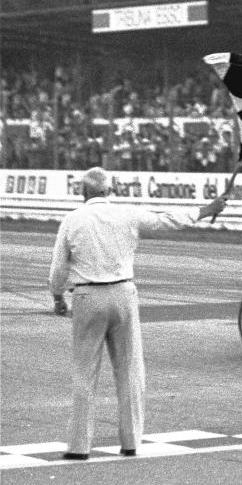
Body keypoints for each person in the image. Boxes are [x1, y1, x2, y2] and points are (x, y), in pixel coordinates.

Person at [49, 166, 228, 460]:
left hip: (87, 295)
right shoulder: (127, 213)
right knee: (130, 371)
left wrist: (58, 298)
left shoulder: (72, 220)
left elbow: (58, 270)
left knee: (84, 374)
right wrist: (207, 209)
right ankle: (131, 442)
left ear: (83, 193)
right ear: (109, 190)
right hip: (122, 293)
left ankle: (79, 447)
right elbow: (166, 221)